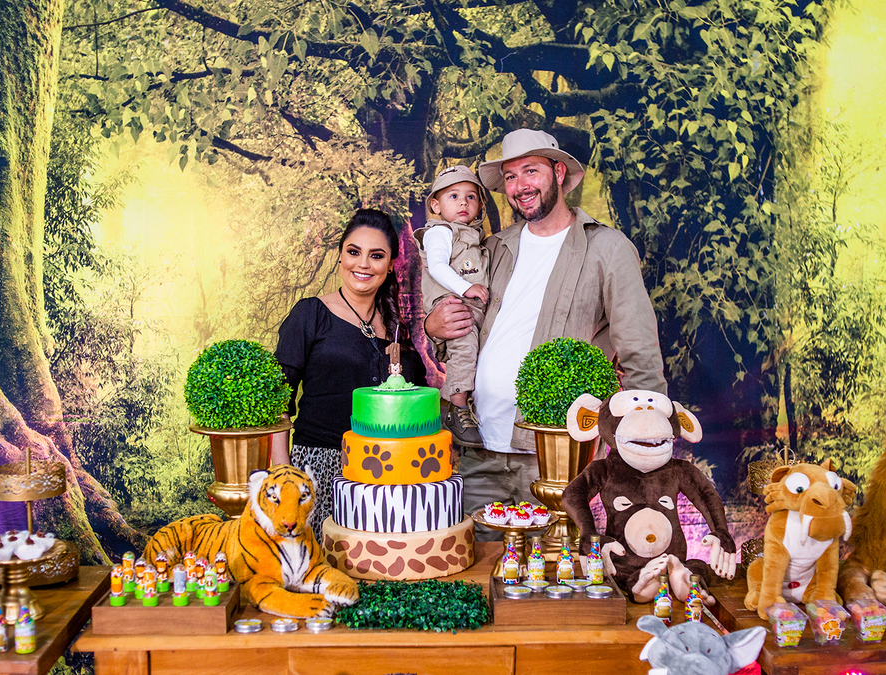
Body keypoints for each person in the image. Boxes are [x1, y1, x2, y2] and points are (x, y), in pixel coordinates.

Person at [425, 129, 667, 539]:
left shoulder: (607, 248)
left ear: (558, 172)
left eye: (531, 171)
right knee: (477, 567)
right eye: (510, 176)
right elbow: (461, 327)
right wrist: (433, 327)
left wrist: (647, 442)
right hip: (479, 449)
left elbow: (639, 352)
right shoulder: (495, 247)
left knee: (552, 573)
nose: (520, 186)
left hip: (555, 456)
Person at [271, 209, 428, 539]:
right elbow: (277, 401)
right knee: (321, 563)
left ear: (390, 264)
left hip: (389, 472)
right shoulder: (311, 314)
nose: (363, 264)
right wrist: (284, 475)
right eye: (354, 252)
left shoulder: (397, 328)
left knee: (379, 561)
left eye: (376, 256)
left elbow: (417, 401)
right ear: (340, 256)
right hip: (319, 468)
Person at [414, 165, 491, 447]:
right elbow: (436, 266)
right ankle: (456, 407)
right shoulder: (440, 232)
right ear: (436, 205)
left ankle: (469, 405)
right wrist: (465, 288)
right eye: (454, 196)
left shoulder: (473, 235)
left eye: (471, 197)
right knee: (464, 348)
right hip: (454, 305)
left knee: (475, 353)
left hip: (472, 306)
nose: (463, 203)